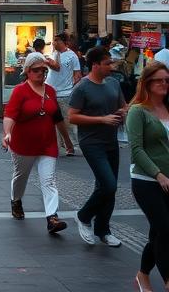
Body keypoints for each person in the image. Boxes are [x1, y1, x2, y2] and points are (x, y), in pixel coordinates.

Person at [2, 52, 68, 234]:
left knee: (49, 180)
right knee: (20, 177)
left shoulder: (51, 91)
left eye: (44, 70)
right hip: (23, 144)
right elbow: (9, 116)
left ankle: (52, 217)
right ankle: (16, 201)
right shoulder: (20, 91)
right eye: (36, 70)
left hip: (47, 143)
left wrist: (67, 141)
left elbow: (58, 118)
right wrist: (7, 134)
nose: (41, 73)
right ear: (28, 72)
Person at [69, 44, 128, 247]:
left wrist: (123, 113)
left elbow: (123, 105)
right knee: (109, 184)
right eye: (107, 63)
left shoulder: (113, 84)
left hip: (111, 141)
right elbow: (73, 117)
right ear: (95, 65)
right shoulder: (82, 87)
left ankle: (103, 229)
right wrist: (102, 120)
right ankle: (84, 216)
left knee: (107, 187)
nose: (111, 66)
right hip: (91, 142)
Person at [127, 60, 169, 292]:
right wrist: (159, 175)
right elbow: (136, 150)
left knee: (158, 232)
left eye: (167, 80)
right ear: (147, 83)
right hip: (147, 181)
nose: (164, 84)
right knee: (165, 230)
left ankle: (143, 275)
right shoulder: (138, 111)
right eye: (159, 80)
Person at [45, 32, 80, 155]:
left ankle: (72, 145)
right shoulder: (53, 54)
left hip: (65, 93)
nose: (54, 43)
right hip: (50, 92)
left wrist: (74, 85)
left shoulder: (72, 56)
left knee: (66, 121)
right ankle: (57, 145)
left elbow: (77, 74)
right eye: (54, 40)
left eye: (57, 41)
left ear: (64, 42)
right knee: (51, 121)